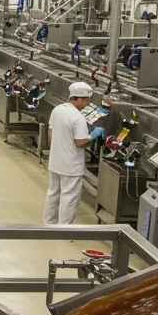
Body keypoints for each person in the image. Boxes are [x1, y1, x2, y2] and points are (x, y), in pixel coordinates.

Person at [44, 81, 104, 224]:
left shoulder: (57, 110)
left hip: (56, 161)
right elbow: (80, 142)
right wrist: (93, 135)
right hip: (71, 165)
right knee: (69, 196)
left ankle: (49, 223)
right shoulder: (78, 118)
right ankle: (64, 228)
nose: (86, 104)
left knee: (53, 193)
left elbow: (51, 134)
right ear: (80, 99)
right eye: (86, 101)